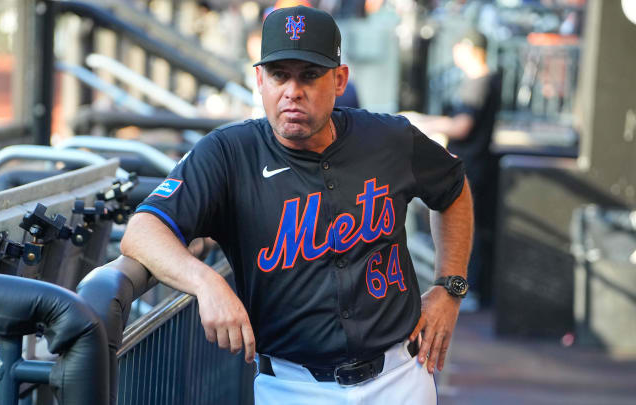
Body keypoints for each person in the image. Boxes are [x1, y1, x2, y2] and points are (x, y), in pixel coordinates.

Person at [121, 6, 473, 404]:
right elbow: (142, 231)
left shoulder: (388, 137)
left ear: (339, 80)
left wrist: (450, 286)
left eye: (309, 75)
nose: (292, 91)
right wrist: (206, 282)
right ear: (259, 80)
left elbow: (454, 188)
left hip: (399, 379)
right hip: (291, 386)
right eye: (278, 75)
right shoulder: (228, 153)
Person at [403, 28, 500, 309]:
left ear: (470, 49)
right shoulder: (484, 81)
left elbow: (462, 125)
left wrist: (422, 124)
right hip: (473, 164)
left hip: (471, 167)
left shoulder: (479, 82)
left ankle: (467, 292)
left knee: (465, 232)